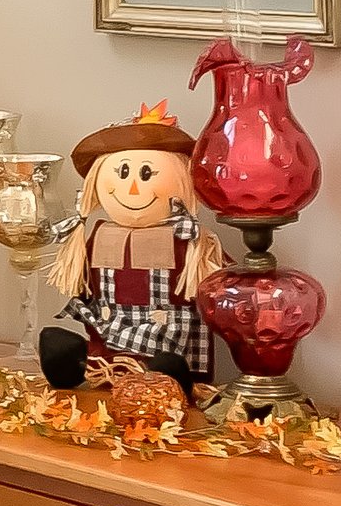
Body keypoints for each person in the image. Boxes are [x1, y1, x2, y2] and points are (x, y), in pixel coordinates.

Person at [40, 104, 224, 395]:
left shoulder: (191, 240)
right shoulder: (98, 234)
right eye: (123, 173)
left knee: (165, 365)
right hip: (108, 340)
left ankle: (168, 377)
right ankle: (75, 364)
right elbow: (84, 287)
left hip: (165, 336)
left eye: (147, 174)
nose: (134, 188)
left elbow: (221, 285)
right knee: (65, 345)